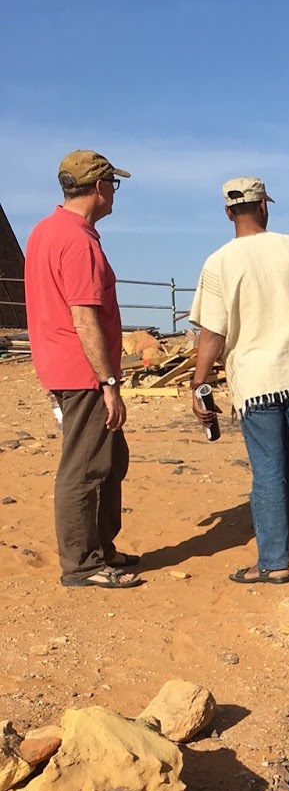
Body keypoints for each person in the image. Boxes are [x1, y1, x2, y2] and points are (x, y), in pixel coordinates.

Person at [189, 178, 289, 584]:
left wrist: (199, 383)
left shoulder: (219, 262)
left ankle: (274, 562)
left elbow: (212, 333)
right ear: (264, 207)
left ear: (229, 213)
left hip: (257, 384)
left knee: (268, 472)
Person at [25, 150, 141, 588]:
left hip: (66, 366)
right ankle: (83, 564)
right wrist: (108, 381)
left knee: (110, 460)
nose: (114, 193)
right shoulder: (77, 240)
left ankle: (100, 549)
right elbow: (83, 315)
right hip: (83, 372)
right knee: (86, 467)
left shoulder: (47, 231)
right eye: (113, 184)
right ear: (99, 187)